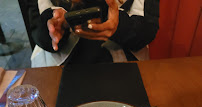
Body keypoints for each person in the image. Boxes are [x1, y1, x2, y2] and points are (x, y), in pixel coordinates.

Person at [28, 0, 159, 67]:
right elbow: (38, 28)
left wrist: (119, 25)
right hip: (57, 67)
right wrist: (58, 28)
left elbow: (147, 29)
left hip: (125, 64)